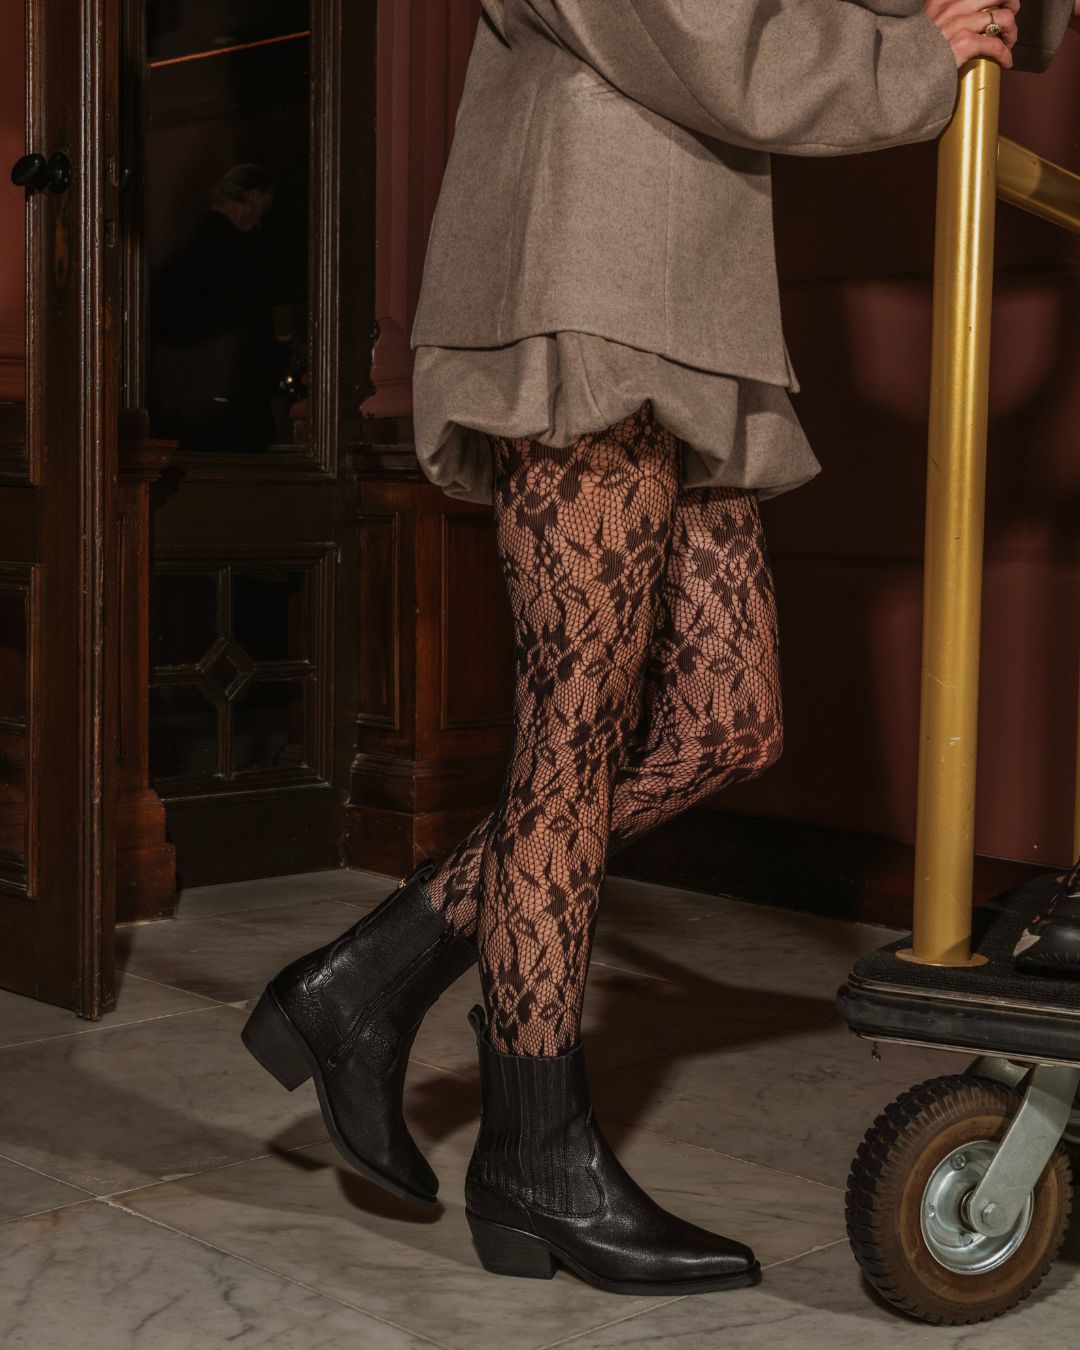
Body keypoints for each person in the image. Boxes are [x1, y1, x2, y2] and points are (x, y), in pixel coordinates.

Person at [244, 0, 1075, 1296]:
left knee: (726, 724)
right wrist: (915, 56)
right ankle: (535, 1153)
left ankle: (369, 978)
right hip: (588, 267)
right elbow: (704, 34)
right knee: (571, 731)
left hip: (689, 284)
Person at [149, 163, 291, 452]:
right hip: (230, 399)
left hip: (186, 401)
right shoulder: (240, 254)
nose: (260, 221)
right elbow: (249, 327)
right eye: (263, 210)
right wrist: (280, 354)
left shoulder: (189, 245)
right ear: (252, 198)